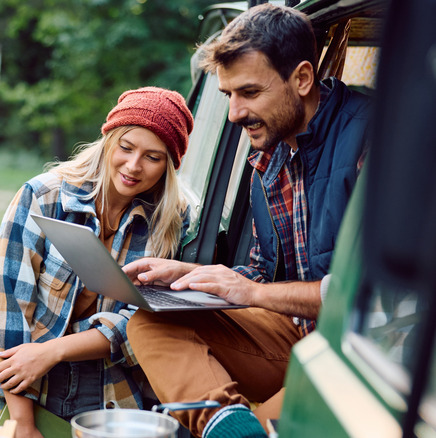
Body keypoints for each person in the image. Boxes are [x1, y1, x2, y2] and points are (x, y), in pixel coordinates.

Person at [123, 4, 372, 438]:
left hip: (359, 352)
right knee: (148, 323)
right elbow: (261, 275)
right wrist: (194, 275)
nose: (235, 113)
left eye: (249, 93)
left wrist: (254, 291)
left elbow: (375, 297)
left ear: (302, 79)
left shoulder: (374, 137)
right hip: (296, 335)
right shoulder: (267, 160)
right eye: (228, 96)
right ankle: (227, 425)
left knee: (267, 427)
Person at [0, 87, 194, 438]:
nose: (133, 166)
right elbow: (8, 312)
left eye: (153, 157)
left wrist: (55, 351)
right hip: (24, 388)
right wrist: (22, 424)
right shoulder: (44, 197)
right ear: (108, 141)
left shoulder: (171, 223)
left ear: (169, 165)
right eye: (126, 147)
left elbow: (143, 325)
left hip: (111, 391)